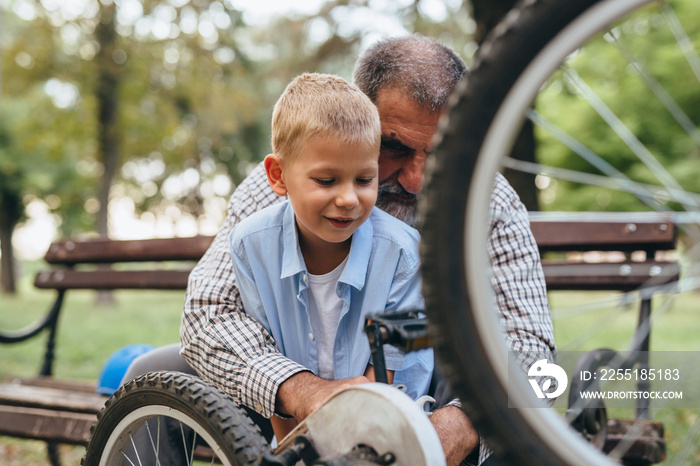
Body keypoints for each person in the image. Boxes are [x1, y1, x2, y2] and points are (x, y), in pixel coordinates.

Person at [125, 34, 556, 466]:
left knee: (530, 404)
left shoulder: (490, 201)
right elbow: (209, 312)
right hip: (285, 394)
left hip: (432, 386)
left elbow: (529, 342)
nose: (418, 179)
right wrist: (302, 390)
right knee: (152, 374)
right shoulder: (281, 186)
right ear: (358, 116)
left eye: (440, 148)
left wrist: (460, 422)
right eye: (396, 147)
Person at [229, 72, 433, 441]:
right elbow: (270, 367)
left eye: (364, 180)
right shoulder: (251, 245)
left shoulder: (403, 252)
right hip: (296, 432)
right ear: (278, 175)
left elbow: (386, 381)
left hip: (387, 433)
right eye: (326, 181)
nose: (349, 199)